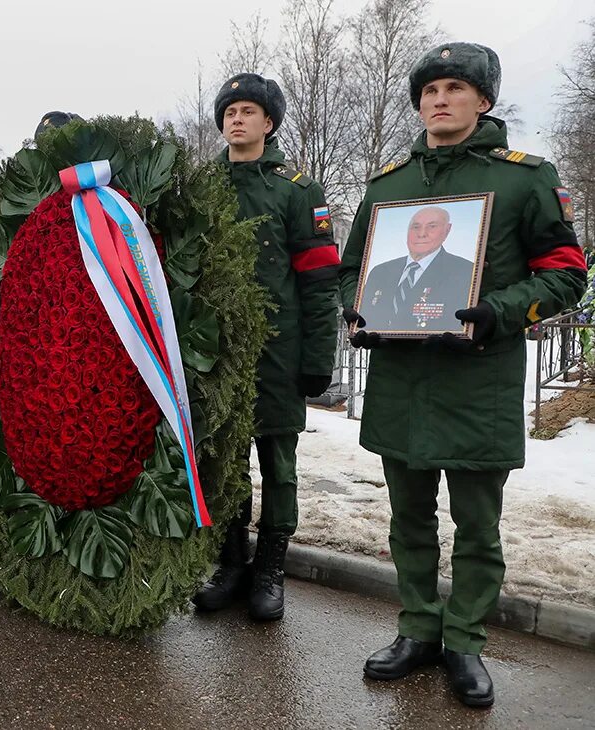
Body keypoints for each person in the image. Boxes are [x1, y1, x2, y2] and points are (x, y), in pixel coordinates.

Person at [339, 42, 587, 708]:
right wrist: (356, 311)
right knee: (407, 519)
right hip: (402, 383)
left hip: (477, 381)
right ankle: (417, 629)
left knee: (477, 525)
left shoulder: (524, 178)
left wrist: (499, 311)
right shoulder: (388, 187)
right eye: (429, 90)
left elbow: (567, 271)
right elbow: (349, 268)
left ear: (483, 100)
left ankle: (465, 640)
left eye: (455, 88)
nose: (440, 100)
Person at [192, 73, 341, 621]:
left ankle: (270, 570)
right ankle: (231, 563)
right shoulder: (200, 187)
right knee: (225, 463)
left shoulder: (296, 190)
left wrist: (318, 359)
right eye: (230, 111)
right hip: (215, 353)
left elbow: (321, 281)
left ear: (269, 122)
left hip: (278, 352)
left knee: (278, 465)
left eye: (249, 111)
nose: (237, 119)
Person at [357, 206, 475, 331]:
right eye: (416, 227)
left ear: (447, 230)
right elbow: (367, 317)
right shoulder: (380, 272)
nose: (422, 234)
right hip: (383, 349)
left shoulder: (465, 272)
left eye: (432, 226)